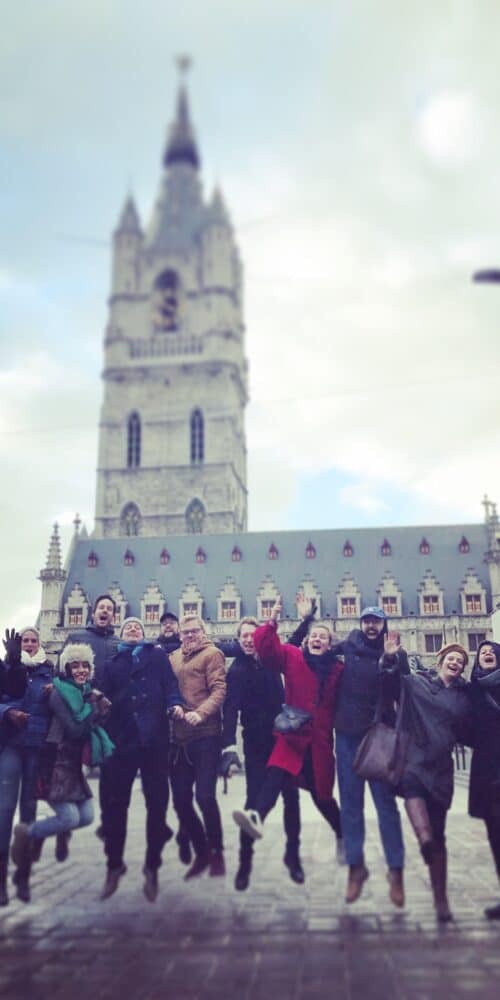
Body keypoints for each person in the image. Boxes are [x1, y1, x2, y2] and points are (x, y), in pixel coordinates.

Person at [232, 599, 344, 872]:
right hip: (292, 737)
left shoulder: (339, 670)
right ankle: (256, 818)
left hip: (318, 744)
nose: (317, 639)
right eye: (313, 636)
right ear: (306, 641)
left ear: (330, 645)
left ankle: (342, 833)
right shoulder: (294, 658)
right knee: (275, 775)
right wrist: (271, 621)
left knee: (322, 798)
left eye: (323, 637)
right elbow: (267, 649)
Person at [10, 643, 114, 884]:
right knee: (68, 818)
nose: (80, 670)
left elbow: (98, 720)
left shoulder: (85, 691)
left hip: (73, 764)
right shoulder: (58, 693)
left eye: (85, 665)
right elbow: (75, 730)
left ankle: (49, 832)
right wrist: (93, 706)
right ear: (66, 668)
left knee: (86, 817)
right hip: (54, 761)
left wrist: (96, 705)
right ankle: (27, 833)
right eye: (74, 666)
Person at [382, 642, 471, 922]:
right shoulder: (416, 684)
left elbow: (471, 728)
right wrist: (393, 656)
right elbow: (393, 679)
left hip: (441, 767)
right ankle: (424, 839)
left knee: (440, 833)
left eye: (460, 661)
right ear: (440, 660)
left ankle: (440, 899)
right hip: (414, 759)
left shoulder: (464, 697)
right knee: (411, 787)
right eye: (451, 658)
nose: (455, 662)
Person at [98, 617, 184, 902]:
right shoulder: (111, 665)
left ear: (145, 634)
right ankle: (114, 865)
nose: (133, 629)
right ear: (121, 635)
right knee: (116, 804)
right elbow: (100, 697)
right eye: (128, 627)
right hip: (122, 739)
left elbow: (171, 686)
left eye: (137, 627)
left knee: (157, 803)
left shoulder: (157, 657)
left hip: (154, 739)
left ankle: (152, 866)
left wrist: (174, 704)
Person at [219, 616, 303, 891]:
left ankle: (293, 856)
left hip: (282, 738)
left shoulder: (272, 660)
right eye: (242, 635)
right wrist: (229, 748)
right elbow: (230, 711)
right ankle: (245, 863)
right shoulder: (236, 671)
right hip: (255, 742)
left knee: (291, 798)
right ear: (238, 639)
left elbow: (293, 643)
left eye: (251, 635)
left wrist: (306, 619)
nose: (247, 639)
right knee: (252, 800)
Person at [332, 606, 408, 907]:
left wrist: (389, 660)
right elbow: (314, 658)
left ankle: (396, 870)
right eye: (367, 621)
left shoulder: (396, 654)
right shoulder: (347, 647)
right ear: (361, 624)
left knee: (386, 806)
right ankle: (356, 867)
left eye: (376, 621)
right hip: (347, 735)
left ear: (384, 624)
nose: (371, 626)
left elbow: (401, 691)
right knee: (350, 806)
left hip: (378, 736)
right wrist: (307, 621)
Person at [169, 614, 227, 879]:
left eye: (194, 631)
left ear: (203, 631)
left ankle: (217, 852)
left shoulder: (212, 654)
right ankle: (201, 852)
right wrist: (172, 707)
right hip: (180, 738)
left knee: (205, 796)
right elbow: (168, 690)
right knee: (181, 800)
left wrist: (201, 713)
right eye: (185, 632)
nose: (190, 635)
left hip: (206, 734)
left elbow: (219, 690)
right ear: (179, 634)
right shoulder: (173, 658)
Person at [0, 627, 53, 903]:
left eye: (33, 640)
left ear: (39, 643)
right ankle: (0, 881)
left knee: (29, 810)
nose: (29, 644)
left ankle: (23, 875)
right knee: (5, 808)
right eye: (24, 641)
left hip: (36, 745)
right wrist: (9, 711)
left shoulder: (48, 673)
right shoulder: (5, 668)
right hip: (10, 743)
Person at [155, 610, 192, 866]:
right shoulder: (151, 651)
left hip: (183, 729)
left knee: (182, 790)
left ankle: (184, 831)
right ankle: (162, 830)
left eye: (172, 623)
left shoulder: (188, 650)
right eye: (164, 623)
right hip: (159, 731)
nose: (168, 626)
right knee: (158, 790)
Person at [467, 640, 500, 919]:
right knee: (496, 836)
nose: (487, 653)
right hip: (488, 772)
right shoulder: (473, 691)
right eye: (482, 652)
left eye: (492, 651)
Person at [66, 594, 118, 687]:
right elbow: (61, 671)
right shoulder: (75, 638)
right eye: (101, 607)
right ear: (93, 614)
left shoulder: (119, 643)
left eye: (109, 609)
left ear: (113, 617)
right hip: (82, 694)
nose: (105, 610)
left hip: (110, 695)